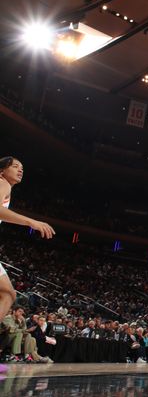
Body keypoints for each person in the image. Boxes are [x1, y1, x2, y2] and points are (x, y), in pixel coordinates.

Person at [0, 156, 55, 371]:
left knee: (8, 294)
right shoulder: (2, 183)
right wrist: (30, 221)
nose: (20, 170)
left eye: (22, 168)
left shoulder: (6, 186)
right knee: (7, 294)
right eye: (15, 166)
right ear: (2, 170)